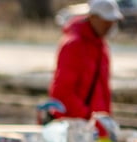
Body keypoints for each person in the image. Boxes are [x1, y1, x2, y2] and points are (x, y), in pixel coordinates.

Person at [48, 0, 122, 132]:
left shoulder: (101, 47)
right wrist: (89, 118)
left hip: (95, 129)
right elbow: (62, 92)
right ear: (92, 17)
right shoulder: (73, 45)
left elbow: (104, 90)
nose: (110, 25)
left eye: (112, 20)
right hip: (76, 128)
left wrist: (106, 122)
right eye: (106, 20)